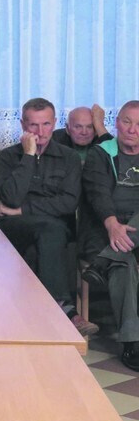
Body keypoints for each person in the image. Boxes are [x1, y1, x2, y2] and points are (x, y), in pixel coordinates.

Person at [0, 97, 96, 336]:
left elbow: (68, 203)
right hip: (14, 228)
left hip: (54, 228)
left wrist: (22, 209)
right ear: (22, 125)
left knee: (42, 242)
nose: (40, 132)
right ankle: (66, 310)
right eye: (33, 125)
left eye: (46, 124)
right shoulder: (6, 157)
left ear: (55, 123)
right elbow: (11, 198)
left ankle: (31, 324)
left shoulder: (69, 158)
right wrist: (28, 156)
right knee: (49, 230)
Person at [80, 101, 139, 368]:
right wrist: (112, 224)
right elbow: (98, 193)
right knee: (123, 262)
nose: (132, 130)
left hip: (131, 230)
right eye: (127, 122)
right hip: (103, 231)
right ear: (117, 123)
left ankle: (104, 260)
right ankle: (132, 342)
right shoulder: (100, 153)